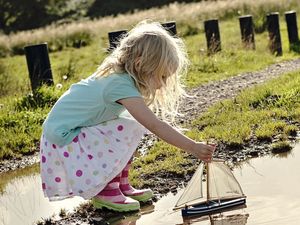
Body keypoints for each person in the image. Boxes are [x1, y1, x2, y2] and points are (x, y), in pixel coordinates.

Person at [40, 20, 215, 213]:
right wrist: (192, 147)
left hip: (71, 131)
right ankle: (107, 191)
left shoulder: (123, 78)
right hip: (64, 136)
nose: (164, 84)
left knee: (129, 126)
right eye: (162, 76)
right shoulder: (120, 85)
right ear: (140, 64)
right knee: (128, 127)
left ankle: (120, 185)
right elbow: (155, 125)